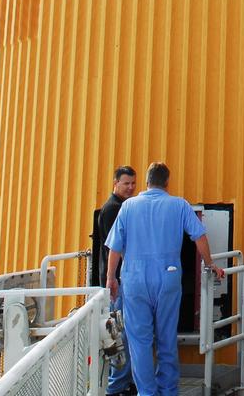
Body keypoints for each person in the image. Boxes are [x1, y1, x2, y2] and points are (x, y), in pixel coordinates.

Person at [105, 162, 224, 396]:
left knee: (139, 341)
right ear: (166, 183)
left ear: (147, 182)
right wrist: (210, 263)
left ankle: (147, 392)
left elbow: (115, 248)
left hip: (135, 279)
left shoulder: (128, 207)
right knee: (166, 337)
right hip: (168, 277)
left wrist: (111, 278)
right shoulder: (179, 205)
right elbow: (199, 236)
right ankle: (168, 390)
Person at [98, 166, 137, 396]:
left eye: (133, 183)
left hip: (122, 280)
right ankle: (116, 387)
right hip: (120, 283)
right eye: (126, 184)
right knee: (120, 334)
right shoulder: (114, 209)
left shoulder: (122, 207)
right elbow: (118, 247)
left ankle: (124, 382)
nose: (131, 187)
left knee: (125, 332)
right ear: (115, 183)